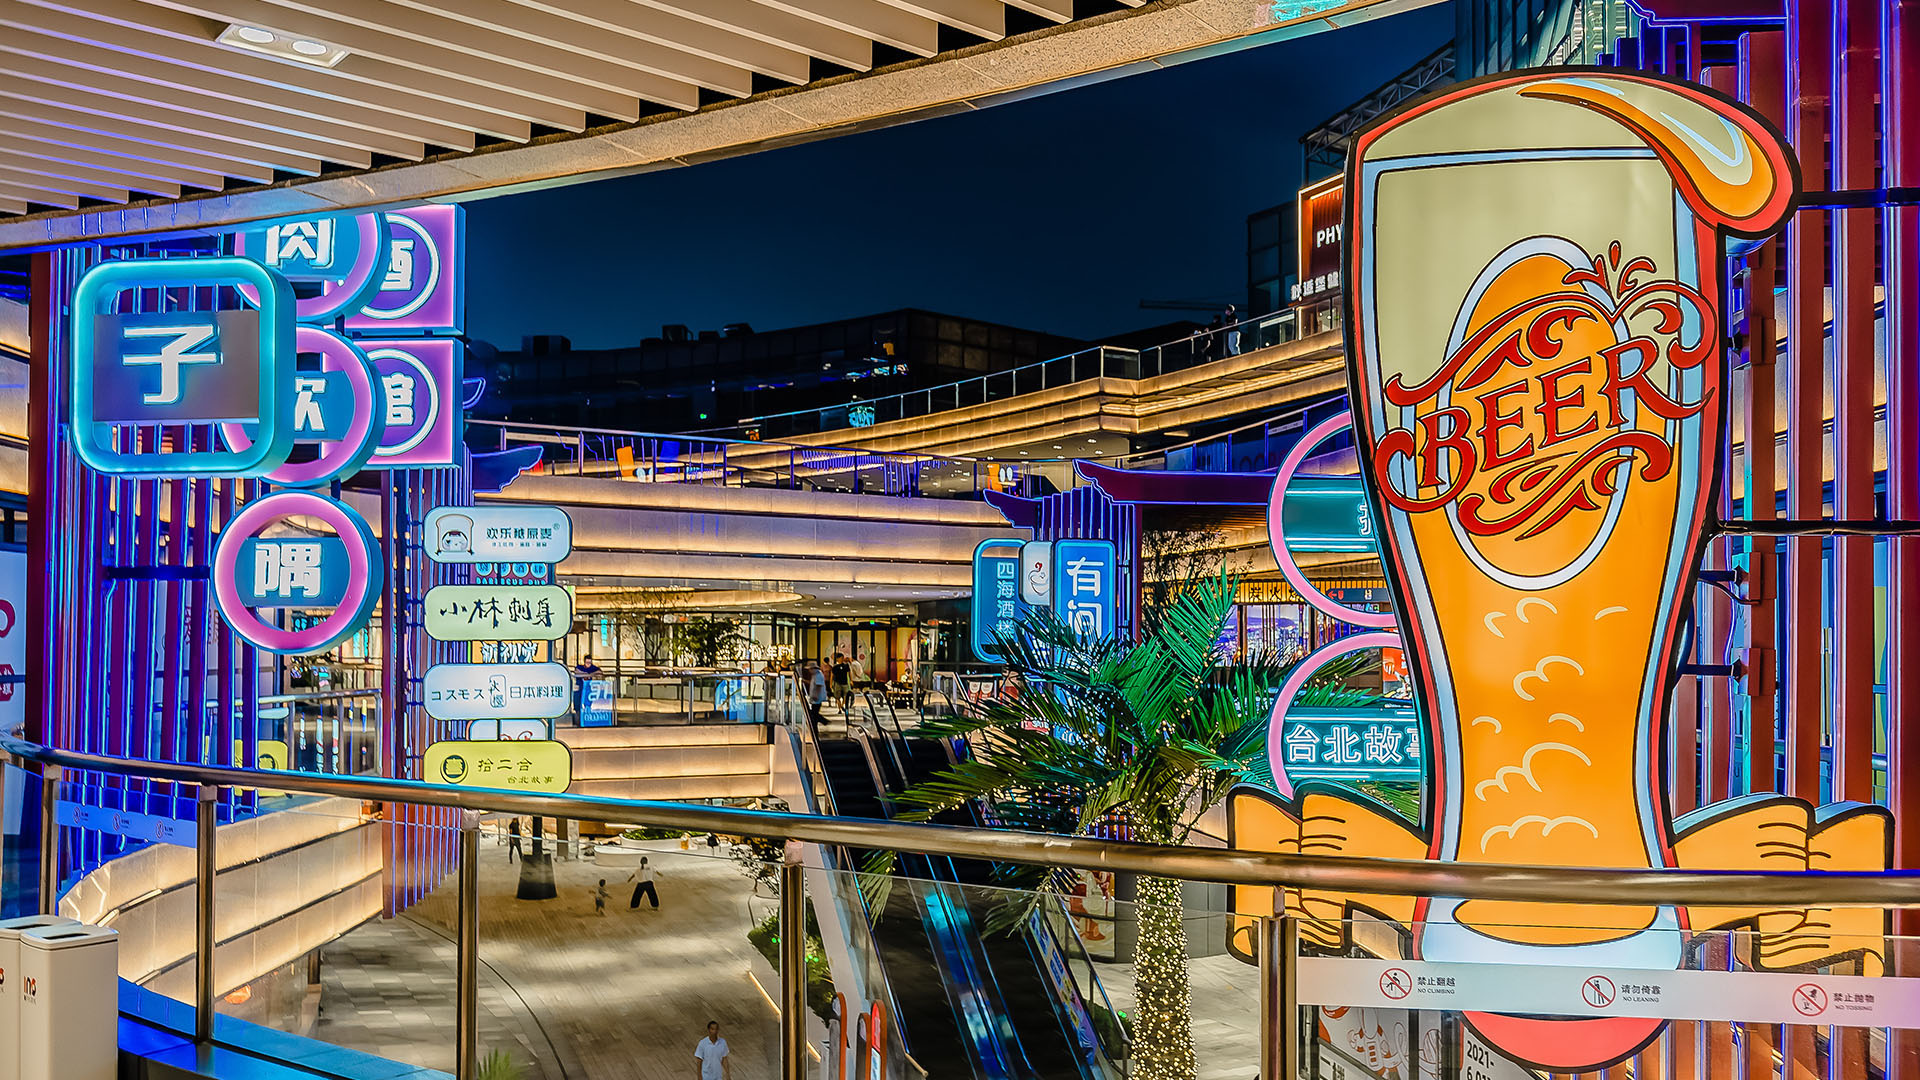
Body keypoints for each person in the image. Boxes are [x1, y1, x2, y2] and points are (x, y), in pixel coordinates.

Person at [806, 662, 828, 728]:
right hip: (815, 697)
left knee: (814, 714)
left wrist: (816, 695)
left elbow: (818, 686)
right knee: (814, 713)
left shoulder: (818, 675)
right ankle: (819, 723)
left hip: (817, 698)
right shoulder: (815, 675)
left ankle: (823, 721)